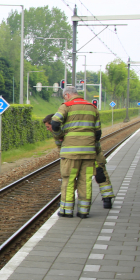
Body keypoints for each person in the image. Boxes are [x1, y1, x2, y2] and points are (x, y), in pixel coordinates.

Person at [50, 87, 102, 218]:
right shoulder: (92, 107)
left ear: (67, 95)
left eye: (64, 97)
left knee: (69, 179)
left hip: (71, 152)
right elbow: (98, 133)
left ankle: (66, 210)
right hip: (89, 152)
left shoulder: (66, 106)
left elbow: (55, 123)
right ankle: (84, 211)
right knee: (86, 181)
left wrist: (59, 135)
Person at [44, 115, 115, 209]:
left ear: (53, 124)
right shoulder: (64, 130)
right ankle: (107, 199)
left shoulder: (65, 131)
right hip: (91, 152)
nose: (47, 129)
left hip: (87, 154)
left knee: (76, 178)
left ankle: (106, 199)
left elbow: (61, 148)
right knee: (100, 174)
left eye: (48, 127)